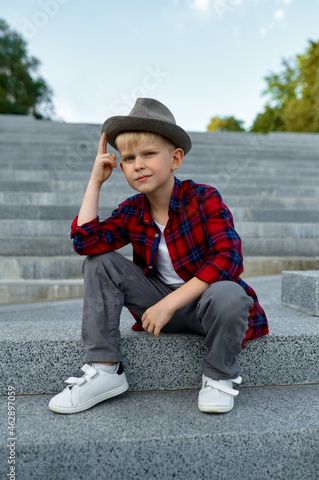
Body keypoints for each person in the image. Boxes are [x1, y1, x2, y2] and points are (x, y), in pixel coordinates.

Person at [48, 97, 268, 415]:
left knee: (231, 293)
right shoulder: (131, 211)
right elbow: (86, 242)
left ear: (175, 158)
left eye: (149, 154)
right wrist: (94, 182)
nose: (138, 164)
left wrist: (170, 303)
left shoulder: (204, 198)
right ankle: (105, 369)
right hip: (156, 306)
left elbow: (228, 260)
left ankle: (219, 377)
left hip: (205, 306)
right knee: (99, 262)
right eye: (128, 158)